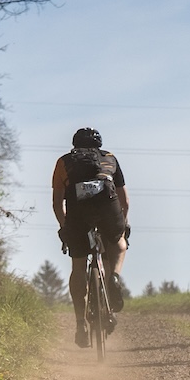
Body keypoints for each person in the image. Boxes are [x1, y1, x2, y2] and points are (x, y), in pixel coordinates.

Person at [52, 127, 130, 348]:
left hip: (78, 210)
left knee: (78, 265)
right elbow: (124, 201)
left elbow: (57, 203)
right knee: (118, 243)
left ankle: (80, 325)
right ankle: (113, 276)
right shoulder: (110, 158)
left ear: (74, 144)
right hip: (108, 206)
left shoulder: (63, 162)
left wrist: (65, 227)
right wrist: (122, 225)